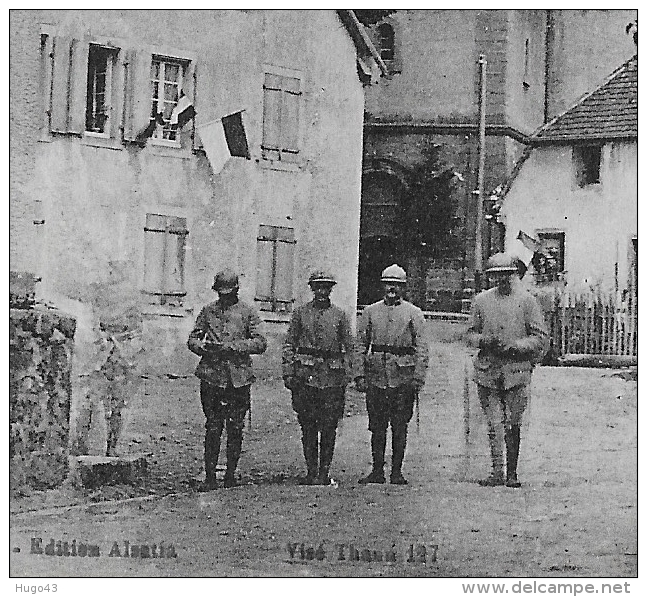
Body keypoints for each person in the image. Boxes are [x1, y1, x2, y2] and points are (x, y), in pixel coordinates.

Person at [466, 252, 548, 488]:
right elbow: (470, 334)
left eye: (506, 275)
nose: (502, 280)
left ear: (514, 275)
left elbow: (540, 338)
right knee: (493, 423)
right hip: (488, 370)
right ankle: (496, 471)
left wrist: (516, 346)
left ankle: (512, 473)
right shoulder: (481, 301)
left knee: (513, 422)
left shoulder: (527, 301)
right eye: (496, 276)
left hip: (516, 371)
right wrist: (484, 341)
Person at [188, 269, 267, 490]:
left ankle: (230, 475)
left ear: (236, 291)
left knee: (235, 427)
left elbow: (260, 342)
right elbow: (193, 337)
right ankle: (210, 477)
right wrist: (201, 347)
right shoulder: (208, 311)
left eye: (228, 293)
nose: (224, 298)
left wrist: (233, 347)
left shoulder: (247, 312)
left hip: (238, 379)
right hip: (212, 376)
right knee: (213, 426)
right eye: (221, 293)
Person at [355, 264, 428, 485]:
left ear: (403, 288)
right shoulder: (370, 312)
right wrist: (359, 374)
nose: (392, 289)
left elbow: (422, 348)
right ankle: (377, 471)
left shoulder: (414, 314)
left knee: (399, 425)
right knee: (377, 426)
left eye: (397, 285)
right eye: (388, 285)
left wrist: (417, 377)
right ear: (382, 286)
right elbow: (360, 344)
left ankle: (397, 471)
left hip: (402, 377)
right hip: (376, 376)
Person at [282, 271, 354, 486]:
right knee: (308, 425)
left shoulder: (340, 316)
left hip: (332, 379)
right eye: (318, 287)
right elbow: (289, 345)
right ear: (312, 289)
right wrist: (288, 372)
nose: (322, 291)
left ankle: (324, 472)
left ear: (331, 289)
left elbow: (350, 347)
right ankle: (311, 471)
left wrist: (349, 374)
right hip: (305, 377)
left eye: (326, 287)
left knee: (329, 425)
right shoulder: (300, 314)